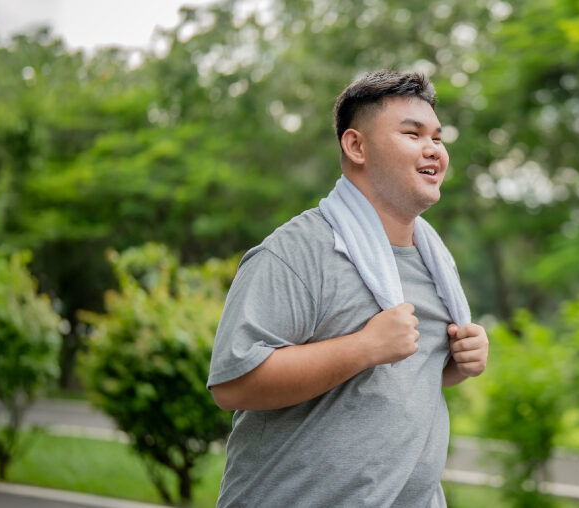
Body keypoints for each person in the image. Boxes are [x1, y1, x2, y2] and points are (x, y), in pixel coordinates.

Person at [206, 69, 489, 507]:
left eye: (437, 136)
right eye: (413, 134)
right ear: (356, 146)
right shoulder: (297, 251)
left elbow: (401, 377)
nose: (433, 149)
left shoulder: (437, 260)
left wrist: (459, 362)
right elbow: (233, 384)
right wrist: (364, 347)